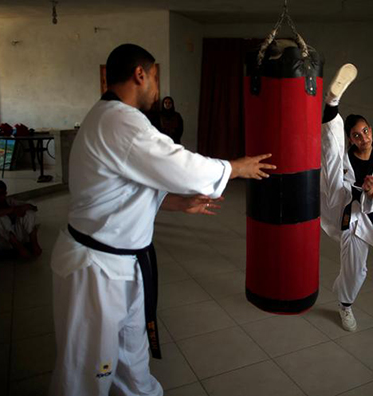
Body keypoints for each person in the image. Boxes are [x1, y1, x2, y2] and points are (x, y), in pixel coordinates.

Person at [49, 43, 275, 396]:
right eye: (155, 76)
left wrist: (174, 203)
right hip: (98, 271)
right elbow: (178, 163)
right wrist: (235, 168)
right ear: (141, 74)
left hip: (122, 264)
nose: (157, 87)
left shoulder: (107, 116)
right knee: (88, 373)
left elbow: (120, 188)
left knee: (131, 361)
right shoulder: (121, 121)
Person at [320, 63, 373, 332]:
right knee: (331, 156)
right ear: (351, 139)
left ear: (371, 130)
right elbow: (333, 160)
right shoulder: (345, 154)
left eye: (366, 131)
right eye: (356, 135)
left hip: (356, 216)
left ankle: (344, 305)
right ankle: (332, 103)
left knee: (357, 271)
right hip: (334, 199)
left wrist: (372, 191)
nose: (363, 137)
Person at [0, 179, 42, 259]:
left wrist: (25, 207)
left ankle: (34, 243)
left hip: (19, 237)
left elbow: (32, 206)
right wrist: (13, 210)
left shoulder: (9, 201)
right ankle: (20, 249)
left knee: (28, 212)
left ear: (5, 194)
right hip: (3, 242)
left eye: (1, 193)